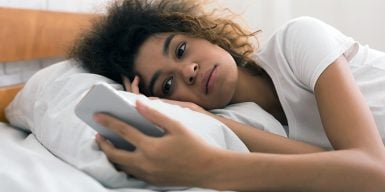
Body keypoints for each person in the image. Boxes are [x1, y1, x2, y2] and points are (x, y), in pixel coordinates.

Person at [70, 0, 385, 191]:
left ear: (202, 33)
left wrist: (207, 166)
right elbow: (338, 169)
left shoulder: (297, 40)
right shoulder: (238, 124)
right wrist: (201, 119)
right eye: (167, 85)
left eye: (180, 49)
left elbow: (372, 172)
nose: (188, 71)